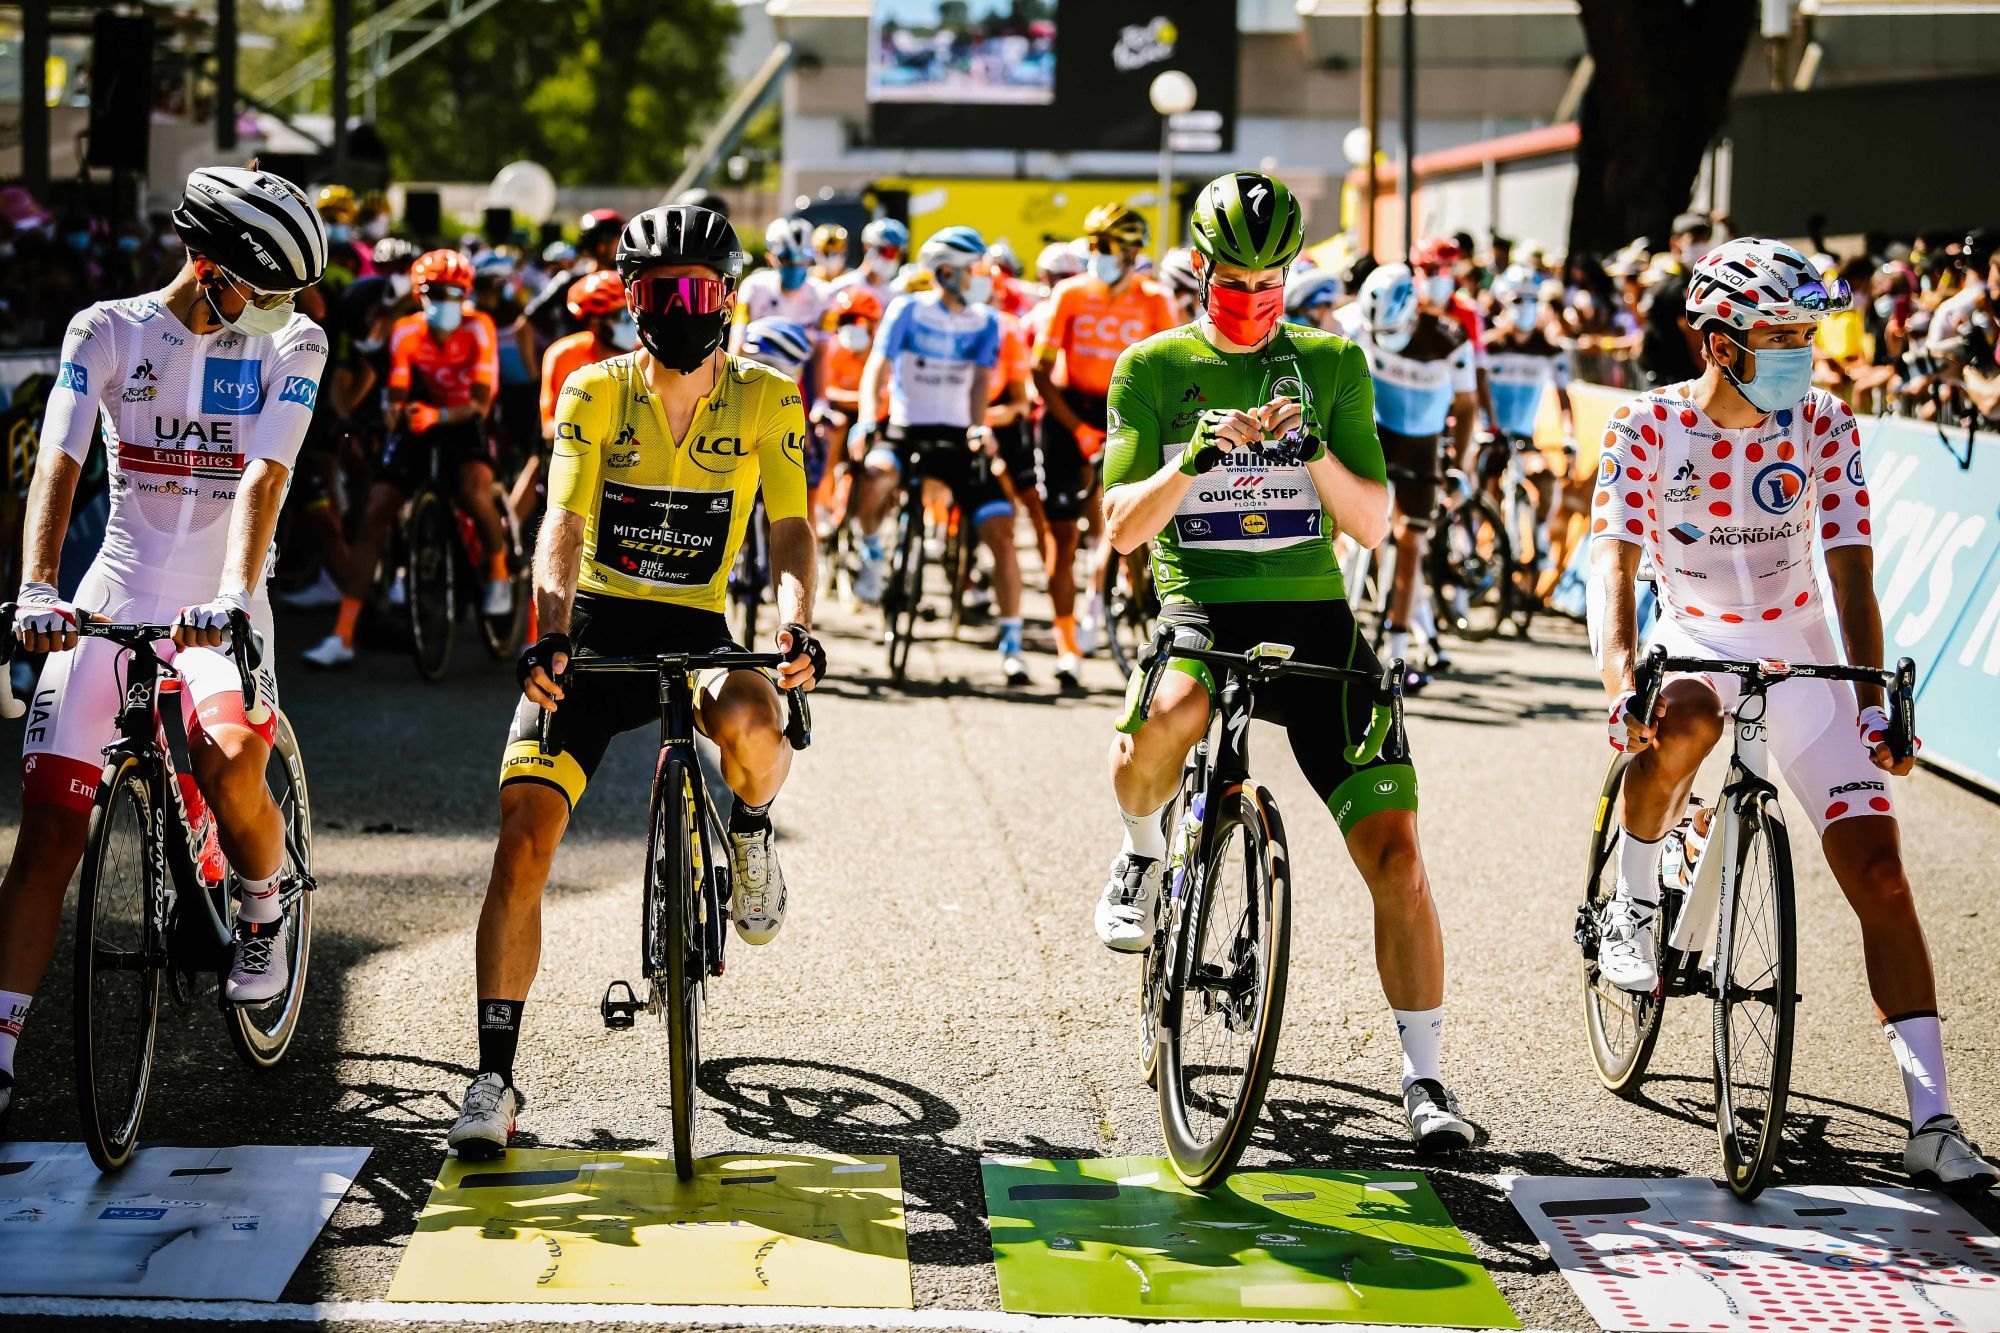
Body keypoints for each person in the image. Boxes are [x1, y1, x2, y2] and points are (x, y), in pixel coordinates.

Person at [1587, 237, 1996, 1193]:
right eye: (1782, 334)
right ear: (1720, 343)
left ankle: (1932, 1119)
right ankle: (1635, 898)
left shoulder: (1824, 423)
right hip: (1695, 635)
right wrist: (1617, 677)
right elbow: (1612, 560)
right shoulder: (1647, 426)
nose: (1802, 352)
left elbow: (1850, 566)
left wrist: (1872, 697)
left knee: (1883, 876)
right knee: (1677, 724)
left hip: (1802, 642)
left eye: (1809, 334)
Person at [1094, 170, 1476, 1152]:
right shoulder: (1147, 365)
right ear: (1198, 272)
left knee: (1397, 854)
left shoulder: (1332, 360)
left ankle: (1425, 1078)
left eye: (1271, 289)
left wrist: (1304, 443)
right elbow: (1122, 531)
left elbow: (1372, 521)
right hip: (1202, 605)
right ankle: (1143, 859)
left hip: (1313, 612)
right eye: (1233, 286)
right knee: (1160, 725)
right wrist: (1194, 457)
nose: (1253, 306)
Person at [447, 205, 823, 1158]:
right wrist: (551, 632)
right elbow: (562, 523)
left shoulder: (771, 398)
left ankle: (747, 832)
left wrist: (794, 624)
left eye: (697, 290)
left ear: (729, 296)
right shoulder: (592, 390)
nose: (680, 308)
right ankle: (493, 1074)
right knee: (522, 840)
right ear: (632, 300)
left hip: (694, 623)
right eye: (660, 292)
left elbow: (789, 531)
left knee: (756, 724)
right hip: (596, 625)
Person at [0, 166, 332, 1123]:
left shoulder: (295, 339)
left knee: (231, 762)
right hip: (116, 586)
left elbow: (266, 473)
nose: (283, 308)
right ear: (211, 266)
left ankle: (263, 901)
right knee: (48, 828)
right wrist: (36, 587)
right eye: (265, 289)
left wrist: (232, 596)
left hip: (220, 599)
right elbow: (58, 460)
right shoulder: (105, 329)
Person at [303, 249, 508, 668]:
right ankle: (342, 635)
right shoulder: (407, 330)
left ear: (466, 293)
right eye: (432, 293)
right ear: (418, 294)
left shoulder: (479, 327)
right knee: (376, 513)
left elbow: (481, 403)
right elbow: (397, 385)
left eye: (453, 293)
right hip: (419, 422)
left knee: (472, 492)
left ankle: (499, 573)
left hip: (463, 419)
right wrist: (395, 410)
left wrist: (441, 414)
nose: (442, 301)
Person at [847, 226, 1027, 684]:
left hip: (956, 437)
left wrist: (978, 426)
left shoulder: (986, 321)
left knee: (1001, 532)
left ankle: (1012, 643)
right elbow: (877, 369)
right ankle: (869, 552)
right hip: (907, 432)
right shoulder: (908, 309)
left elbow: (981, 384)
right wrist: (868, 419)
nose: (982, 278)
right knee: (872, 475)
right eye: (973, 270)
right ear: (946, 272)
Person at [1033, 205, 1179, 686]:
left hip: (1127, 410)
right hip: (1070, 409)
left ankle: (1141, 611)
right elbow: (1040, 368)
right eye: (1090, 245)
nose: (1093, 255)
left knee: (1138, 520)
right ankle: (1067, 645)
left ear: (1131, 252)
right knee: (1062, 533)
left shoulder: (1155, 300)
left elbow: (1171, 371)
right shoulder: (1070, 293)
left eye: (1103, 247)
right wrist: (1076, 428)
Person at [1343, 263, 1475, 691]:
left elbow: (1467, 404)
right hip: (1377, 432)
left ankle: (1398, 654)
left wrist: (1461, 463)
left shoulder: (1451, 337)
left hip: (1423, 443)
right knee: (1341, 516)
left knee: (1412, 541)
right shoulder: (1357, 324)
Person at [1481, 264, 1574, 577]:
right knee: (1484, 492)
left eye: (1532, 300)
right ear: (1504, 305)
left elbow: (1564, 398)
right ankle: (1470, 551)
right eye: (1517, 301)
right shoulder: (1489, 345)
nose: (1525, 308)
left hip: (1523, 437)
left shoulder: (1549, 350)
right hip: (1491, 433)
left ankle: (1541, 536)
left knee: (1547, 481)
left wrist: (1570, 436)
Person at [733, 218, 831, 351]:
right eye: (786, 259)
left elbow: (823, 355)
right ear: (770, 258)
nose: (795, 266)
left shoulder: (824, 295)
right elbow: (737, 345)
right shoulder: (753, 288)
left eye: (802, 259)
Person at [833, 218, 910, 313]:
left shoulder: (896, 295)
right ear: (869, 247)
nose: (893, 259)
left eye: (899, 254)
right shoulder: (842, 288)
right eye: (889, 252)